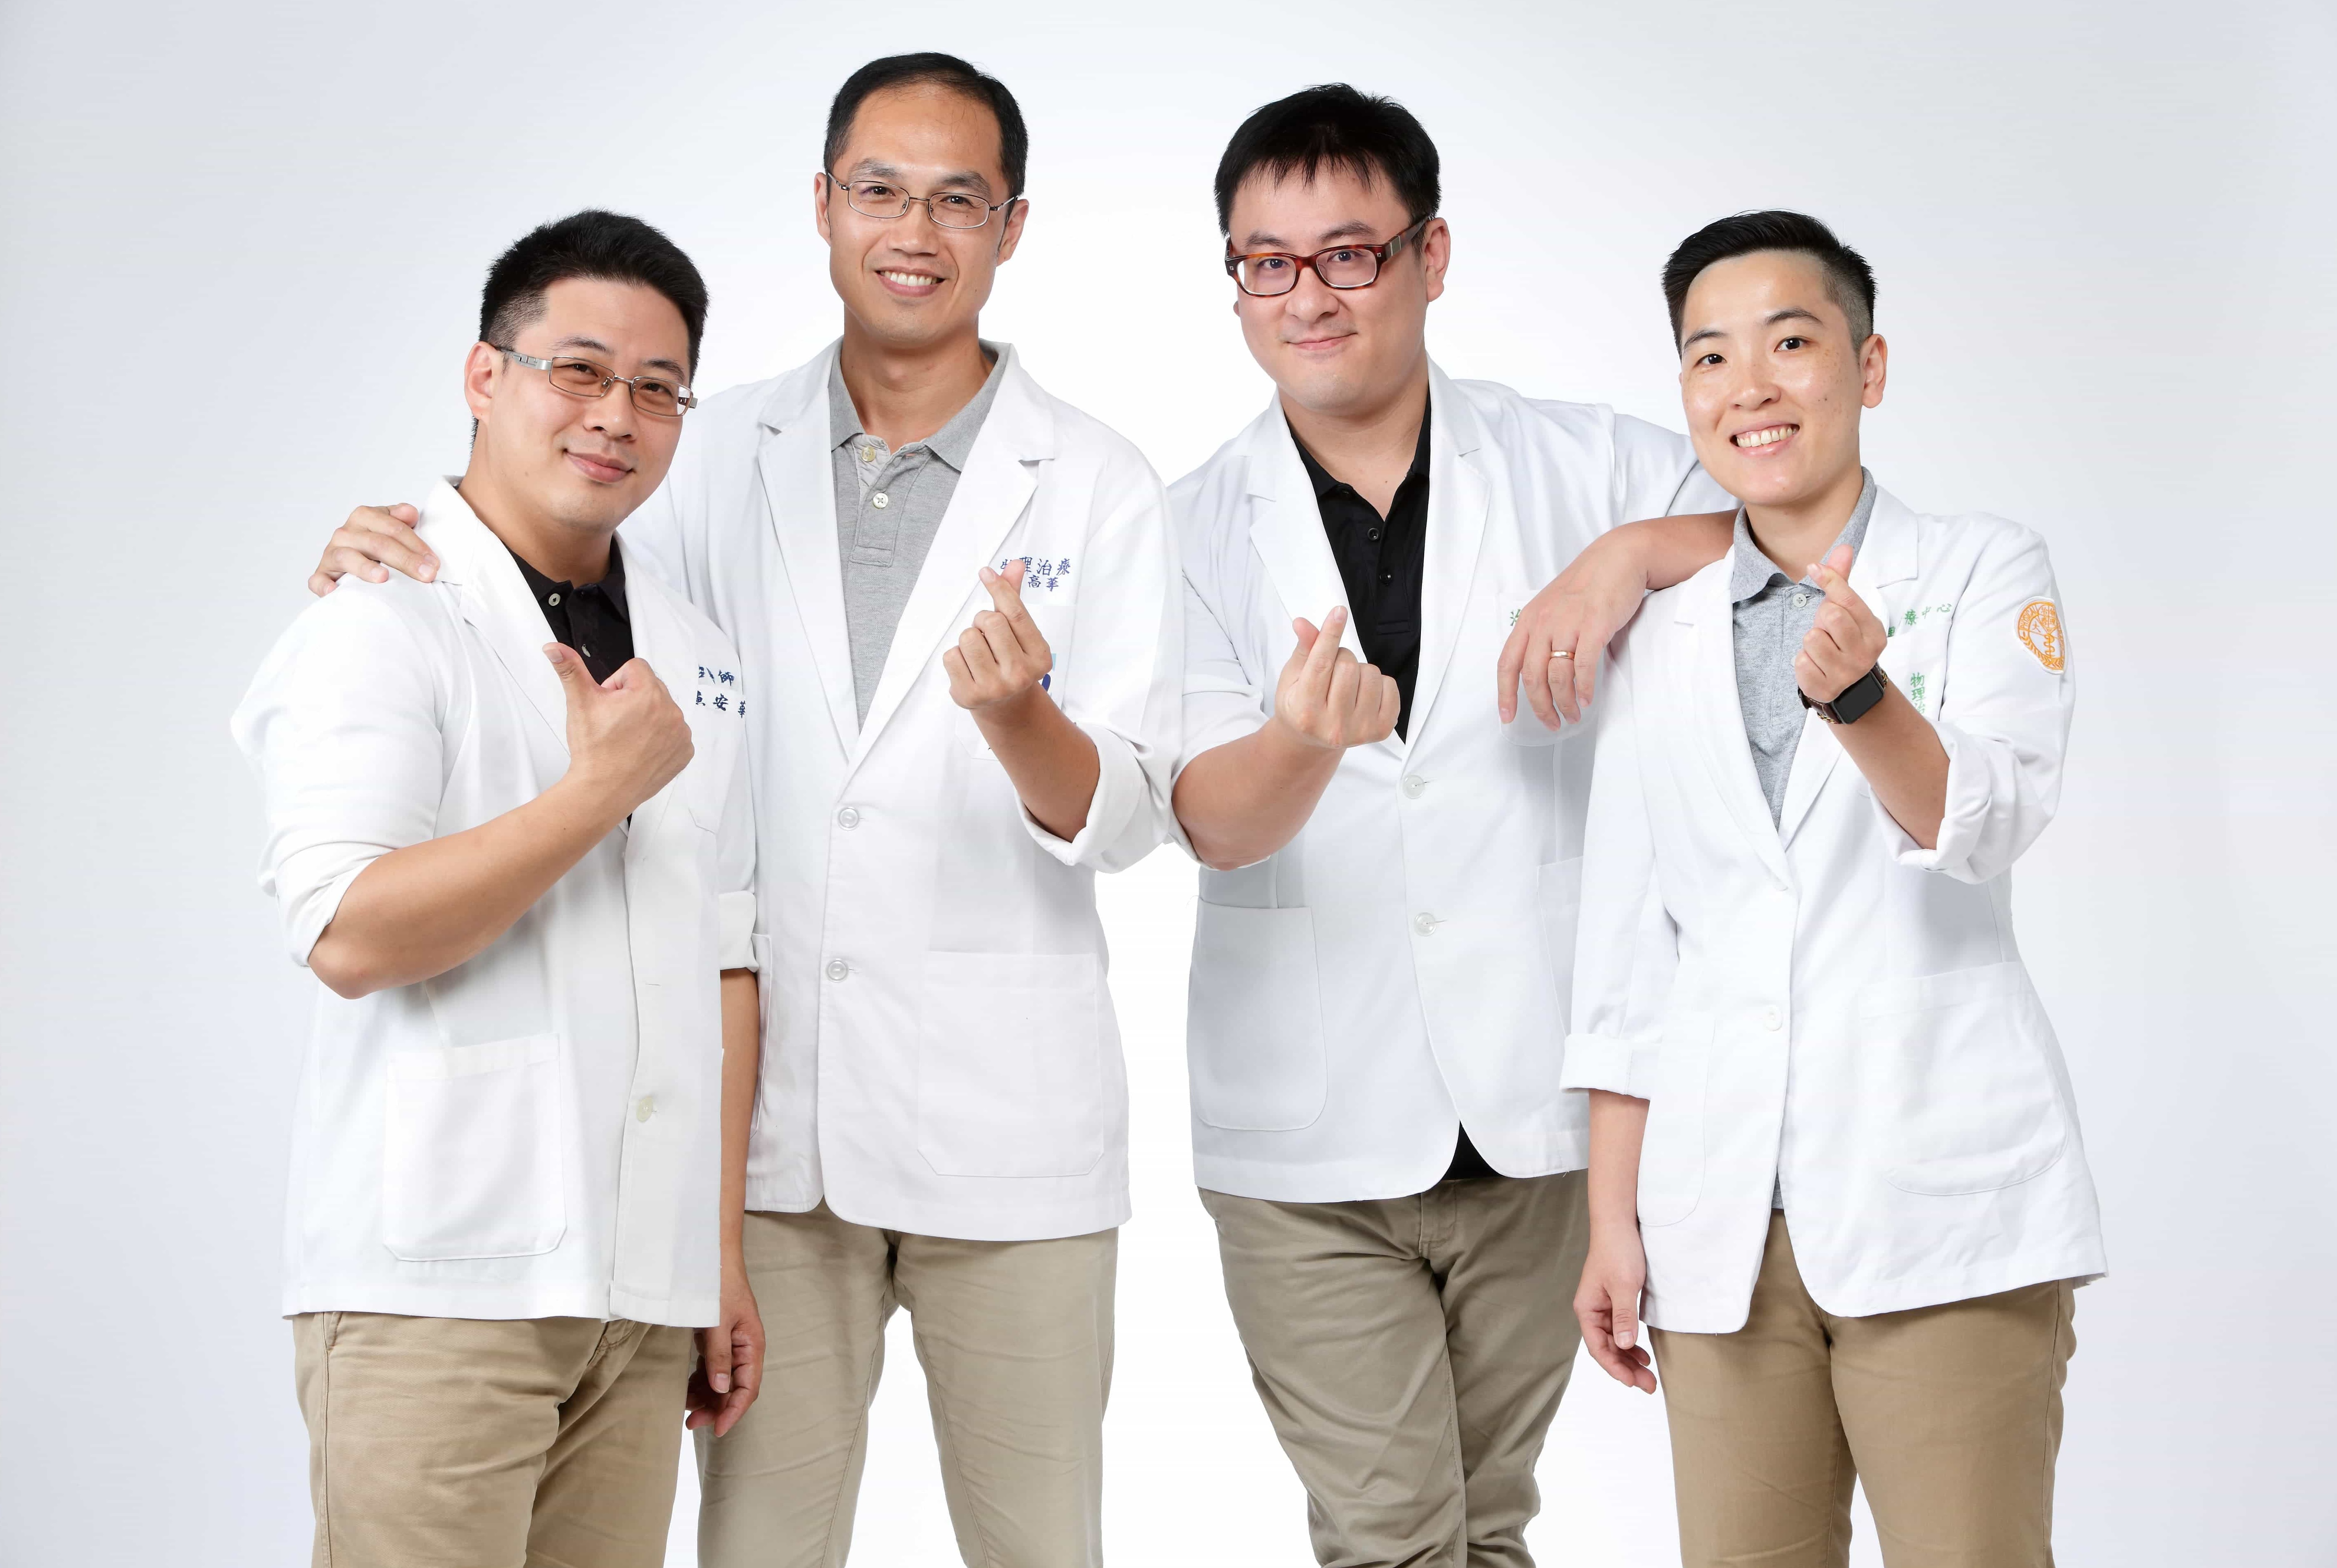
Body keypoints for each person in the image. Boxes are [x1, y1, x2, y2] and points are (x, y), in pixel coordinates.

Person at [303, 53, 1181, 1568]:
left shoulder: (1098, 479)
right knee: (758, 1545)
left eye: (958, 199)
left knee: (1045, 1544)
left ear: (1013, 226)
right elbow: (554, 572)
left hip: (1007, 1122)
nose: (914, 230)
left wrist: (1018, 720)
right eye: (879, 189)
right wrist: (401, 540)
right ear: (823, 204)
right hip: (759, 1144)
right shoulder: (697, 452)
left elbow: (1133, 811)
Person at [1167, 84, 1736, 1567]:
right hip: (1308, 1130)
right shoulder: (1184, 526)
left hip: (1537, 1107)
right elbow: (1207, 818)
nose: (1306, 295)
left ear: (1430, 256)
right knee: (1395, 1538)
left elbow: (1798, 532)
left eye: (1348, 254)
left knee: (1486, 1525)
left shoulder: (1584, 467)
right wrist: (1300, 741)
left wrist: (1626, 557)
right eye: (1265, 263)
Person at [1566, 210, 2107, 1568]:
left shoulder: (1979, 567)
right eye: (1709, 356)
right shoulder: (1660, 629)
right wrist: (1611, 1220)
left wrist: (1862, 696)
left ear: (1866, 368)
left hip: (1937, 1200)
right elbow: (1631, 948)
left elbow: (1985, 819)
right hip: (1721, 1228)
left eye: (1790, 343)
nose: (1748, 386)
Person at [230, 210, 764, 1568]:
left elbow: (721, 960)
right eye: (577, 370)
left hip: (637, 1298)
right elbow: (348, 934)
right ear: (485, 375)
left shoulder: (695, 649)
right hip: (438, 1286)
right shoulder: (381, 618)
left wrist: (708, 1257)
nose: (616, 415)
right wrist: (592, 795)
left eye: (657, 388)